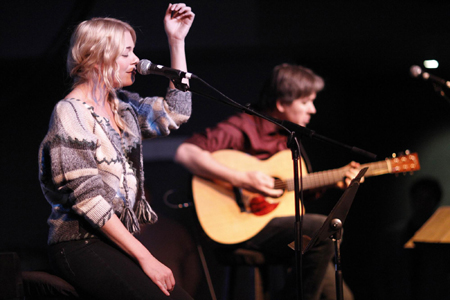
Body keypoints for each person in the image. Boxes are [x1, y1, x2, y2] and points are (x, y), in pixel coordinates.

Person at [38, 4, 195, 300]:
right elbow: (89, 201)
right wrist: (147, 258)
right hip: (79, 243)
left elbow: (177, 111)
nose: (136, 60)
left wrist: (177, 41)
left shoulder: (122, 106)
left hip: (112, 242)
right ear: (97, 58)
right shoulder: (70, 113)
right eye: (126, 53)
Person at [174, 63, 360, 300]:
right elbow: (186, 152)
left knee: (334, 283)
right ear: (281, 104)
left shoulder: (290, 138)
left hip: (279, 230)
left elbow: (295, 189)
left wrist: (333, 182)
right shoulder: (244, 127)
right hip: (239, 226)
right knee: (321, 228)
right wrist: (242, 178)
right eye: (305, 102)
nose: (312, 109)